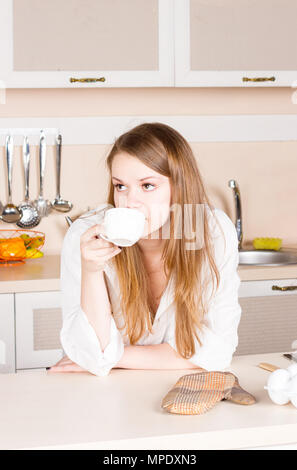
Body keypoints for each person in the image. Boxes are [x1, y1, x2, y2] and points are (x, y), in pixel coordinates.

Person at [48, 122, 241, 376]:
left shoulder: (212, 232)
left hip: (176, 387)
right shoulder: (85, 238)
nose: (130, 202)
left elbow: (218, 349)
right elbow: (92, 351)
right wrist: (92, 271)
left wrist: (116, 357)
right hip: (100, 391)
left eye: (147, 186)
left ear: (180, 188)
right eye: (120, 186)